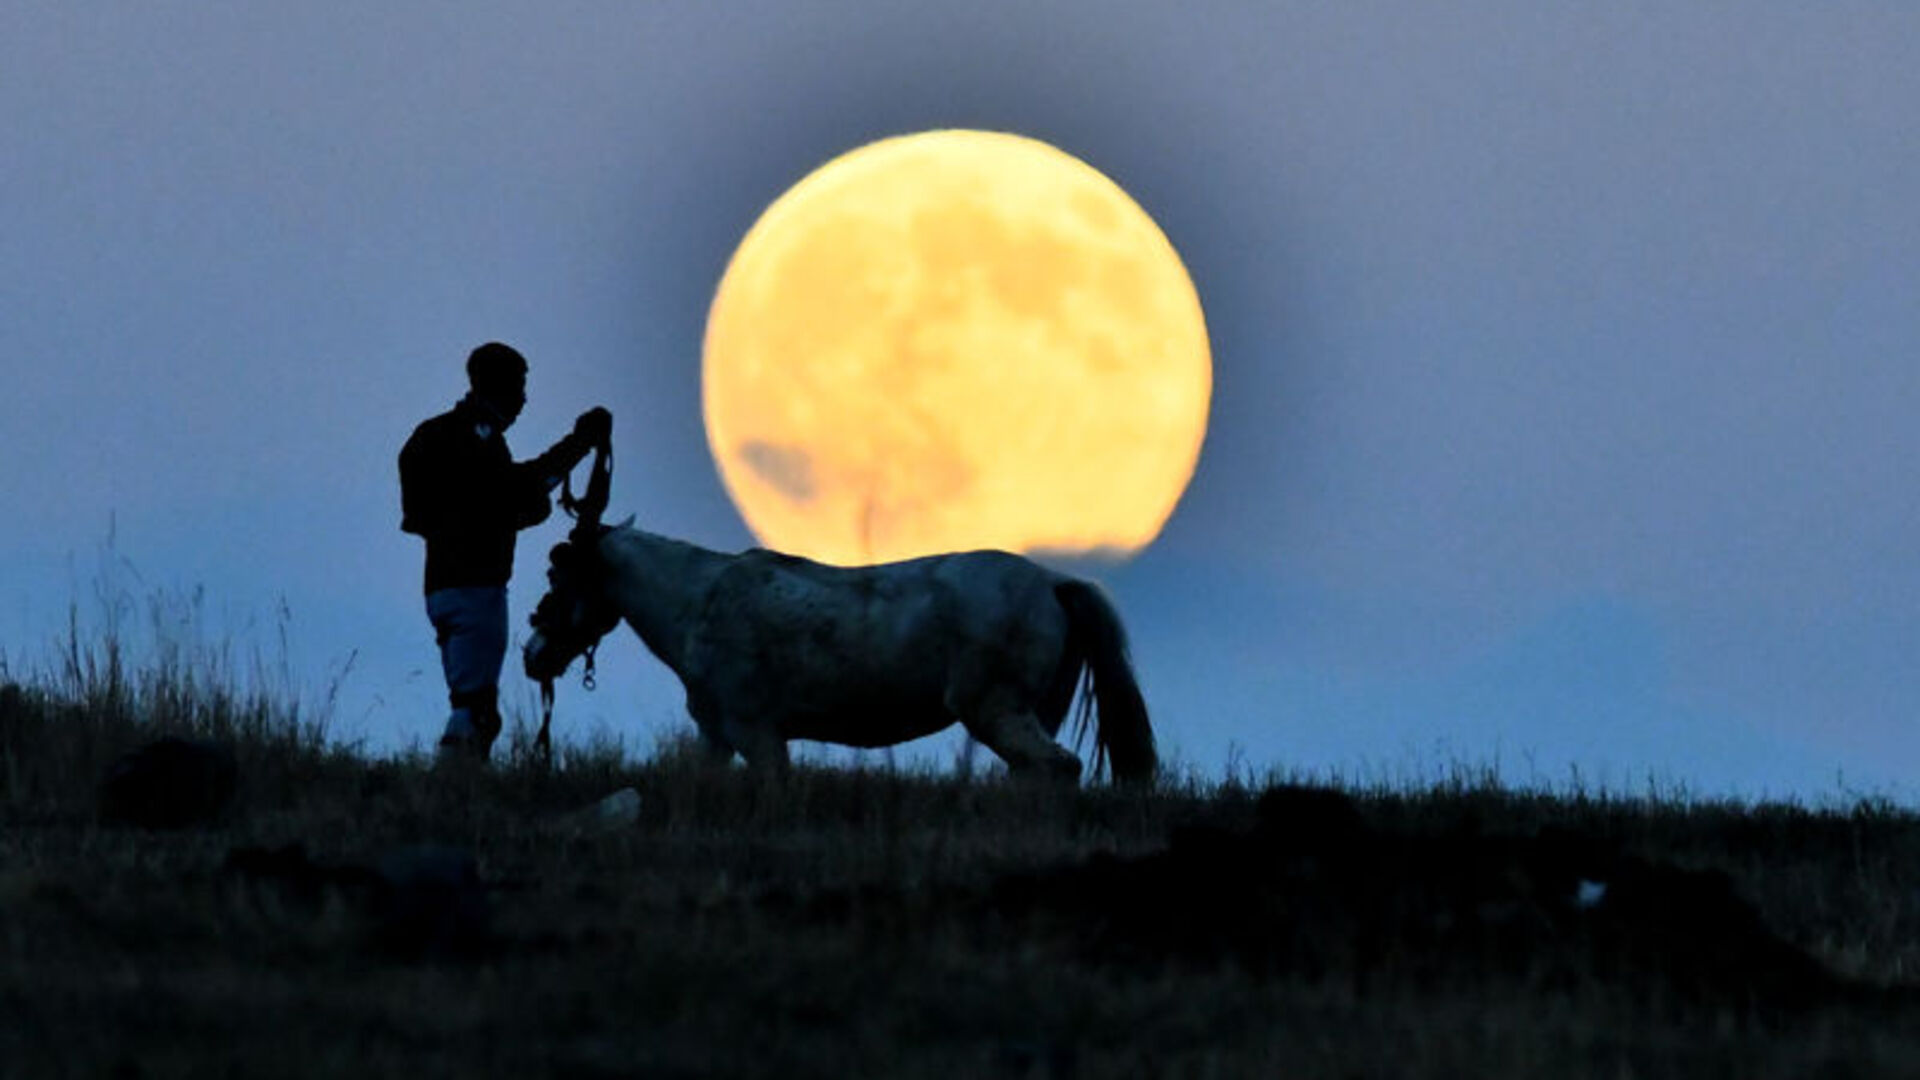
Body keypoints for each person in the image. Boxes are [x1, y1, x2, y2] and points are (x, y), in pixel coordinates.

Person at [399, 342, 611, 760]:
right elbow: (516, 493)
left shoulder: (434, 435)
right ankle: (453, 796)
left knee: (472, 702)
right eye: (519, 386)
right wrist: (581, 444)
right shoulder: (476, 440)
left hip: (441, 588)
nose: (524, 399)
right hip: (475, 588)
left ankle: (453, 795)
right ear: (499, 386)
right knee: (475, 711)